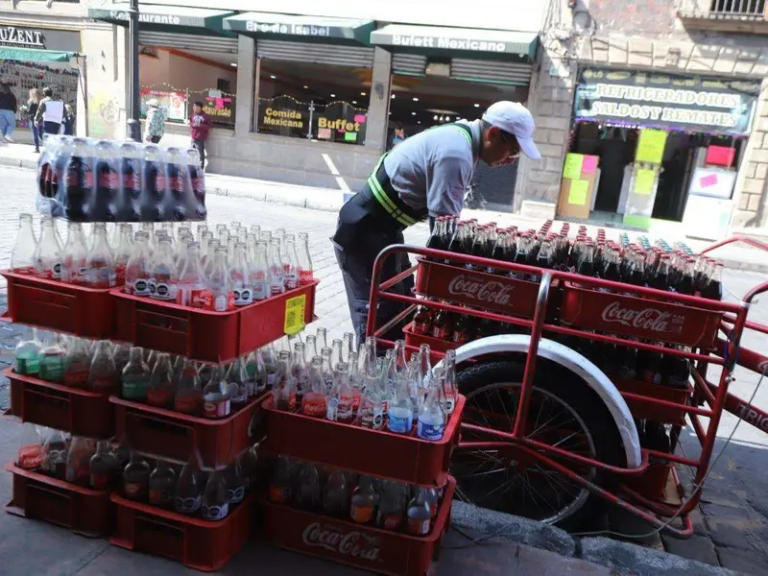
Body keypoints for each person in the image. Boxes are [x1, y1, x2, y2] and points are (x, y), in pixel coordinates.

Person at [331, 101, 541, 346]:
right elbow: (443, 230)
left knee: (402, 305)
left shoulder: (463, 140)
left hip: (385, 231)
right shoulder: (456, 153)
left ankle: (390, 364)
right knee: (380, 318)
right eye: (513, 151)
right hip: (364, 231)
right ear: (493, 134)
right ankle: (372, 369)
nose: (511, 160)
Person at [189, 101, 211, 170]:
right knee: (192, 153)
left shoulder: (206, 116)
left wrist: (200, 125)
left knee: (200, 153)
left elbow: (208, 126)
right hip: (193, 137)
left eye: (195, 106)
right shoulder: (193, 115)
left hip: (200, 138)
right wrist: (192, 125)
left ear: (199, 107)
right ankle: (192, 167)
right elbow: (191, 123)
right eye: (193, 106)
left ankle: (201, 168)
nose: (193, 108)